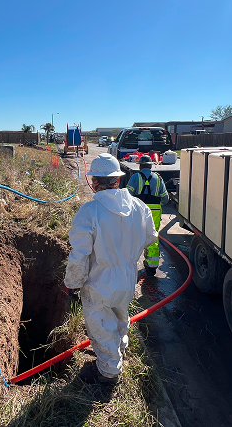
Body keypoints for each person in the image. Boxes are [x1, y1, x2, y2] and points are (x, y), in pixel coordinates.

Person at [65, 153, 158, 384]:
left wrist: (73, 283)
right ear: (117, 180)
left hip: (99, 282)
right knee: (120, 316)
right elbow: (150, 236)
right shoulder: (139, 207)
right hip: (127, 279)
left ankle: (109, 373)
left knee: (102, 327)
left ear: (94, 182)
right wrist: (127, 253)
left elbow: (80, 254)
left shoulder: (89, 212)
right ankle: (120, 350)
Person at [125, 155, 169, 273]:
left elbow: (127, 195)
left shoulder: (135, 177)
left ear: (140, 165)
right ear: (151, 165)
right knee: (153, 235)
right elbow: (165, 199)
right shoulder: (158, 178)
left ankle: (130, 264)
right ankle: (152, 265)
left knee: (134, 235)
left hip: (139, 209)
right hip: (154, 210)